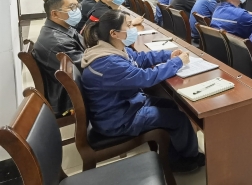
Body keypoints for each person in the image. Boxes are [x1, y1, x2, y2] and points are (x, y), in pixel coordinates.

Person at [81, 10, 204, 172]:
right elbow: (146, 78)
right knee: (179, 119)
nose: (132, 28)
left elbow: (140, 59)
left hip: (124, 105)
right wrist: (177, 63)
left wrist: (168, 55)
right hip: (118, 120)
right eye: (128, 25)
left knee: (171, 105)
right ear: (114, 33)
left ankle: (174, 152)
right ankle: (187, 159)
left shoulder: (112, 48)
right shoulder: (109, 63)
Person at [32, 0, 86, 116]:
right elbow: (86, 67)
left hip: (67, 86)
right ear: (55, 14)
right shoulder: (59, 42)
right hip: (67, 97)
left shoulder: (60, 27)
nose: (77, 10)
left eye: (77, 6)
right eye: (72, 7)